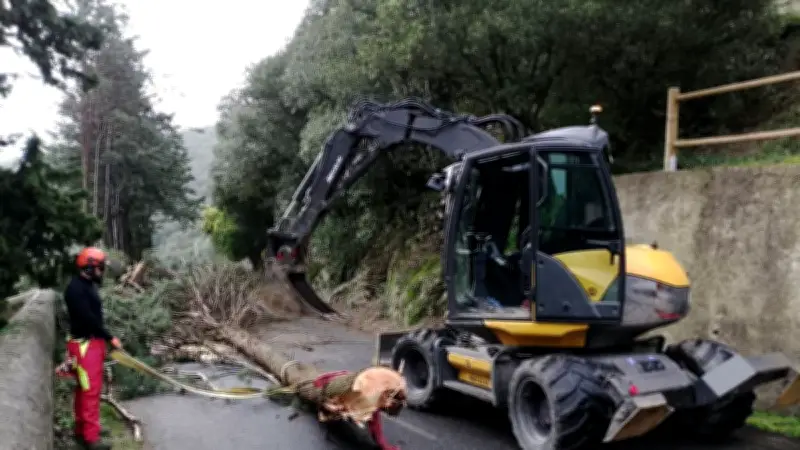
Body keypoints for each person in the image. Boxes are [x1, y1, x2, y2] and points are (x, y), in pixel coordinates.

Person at [63, 247, 123, 450]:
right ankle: (91, 439)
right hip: (85, 346)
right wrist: (110, 337)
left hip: (88, 344)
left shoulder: (86, 285)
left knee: (84, 390)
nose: (102, 272)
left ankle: (82, 431)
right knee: (90, 392)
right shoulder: (76, 289)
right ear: (89, 268)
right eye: (99, 268)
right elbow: (88, 319)